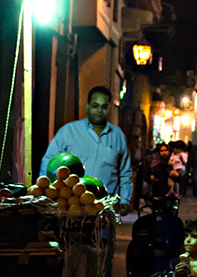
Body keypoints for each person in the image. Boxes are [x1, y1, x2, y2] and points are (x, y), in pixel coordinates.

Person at [40, 86, 133, 214]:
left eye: (104, 106)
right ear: (87, 106)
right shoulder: (68, 131)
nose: (99, 110)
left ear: (109, 108)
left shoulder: (118, 136)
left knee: (103, 234)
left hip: (105, 206)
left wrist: (125, 200)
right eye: (95, 105)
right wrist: (46, 192)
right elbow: (48, 163)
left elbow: (124, 172)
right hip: (71, 205)